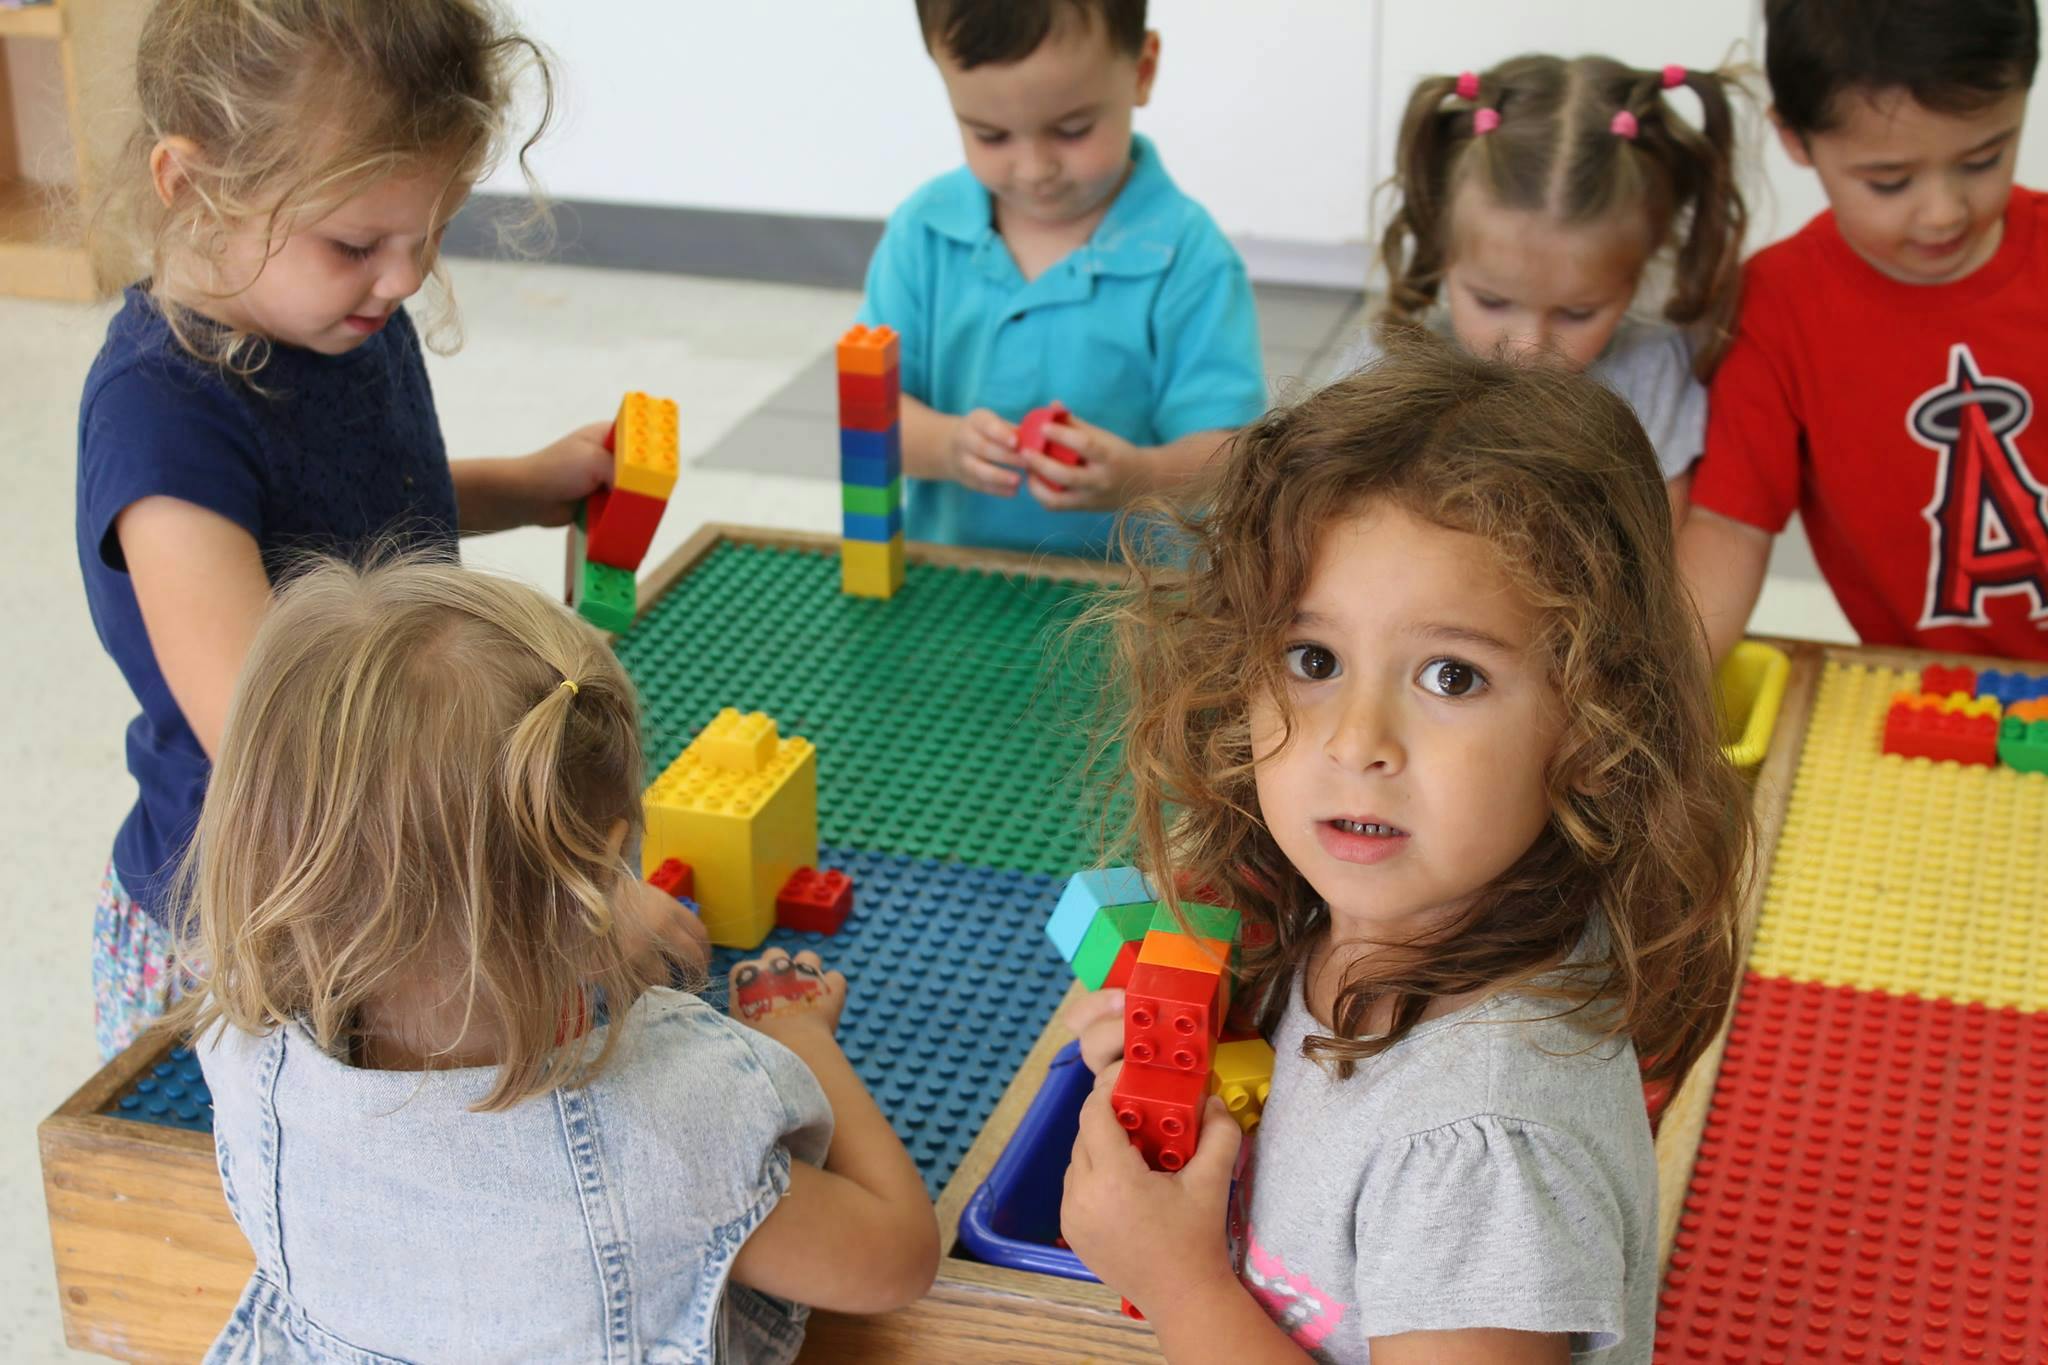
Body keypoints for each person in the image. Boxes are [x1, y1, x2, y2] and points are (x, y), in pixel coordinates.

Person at [1061, 337, 1751, 1363]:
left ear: (1593, 721)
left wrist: (1178, 1284)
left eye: (1451, 677)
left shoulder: (1478, 1159)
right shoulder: (1394, 916)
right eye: (1312, 659)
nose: (1355, 742)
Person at [175, 556, 939, 1362]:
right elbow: (896, 1255)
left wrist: (581, 923)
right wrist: (802, 1039)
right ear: (598, 869)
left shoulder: (241, 1053)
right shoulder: (673, 1126)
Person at [77, 0, 624, 1056]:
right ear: (190, 186)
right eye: (357, 241)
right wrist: (551, 884)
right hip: (264, 930)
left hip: (391, 859)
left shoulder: (328, 316)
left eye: (432, 234)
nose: (406, 276)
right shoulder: (161, 427)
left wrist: (527, 485)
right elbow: (270, 738)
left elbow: (359, 516)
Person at [1680, 0, 2048, 661]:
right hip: (1936, 701)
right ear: (1794, 137)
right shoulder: (1774, 310)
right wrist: (1655, 692)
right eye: (1889, 180)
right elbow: (1730, 528)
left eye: (1984, 159)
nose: (1943, 212)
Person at [855, 0, 1267, 556]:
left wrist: (1139, 475)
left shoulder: (1187, 257)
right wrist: (947, 446)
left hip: (1128, 598)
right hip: (951, 582)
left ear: (1141, 72)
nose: (1033, 169)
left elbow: (1231, 459)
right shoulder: (924, 234)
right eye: (990, 135)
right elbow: (865, 413)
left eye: (1072, 130)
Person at [1346, 54, 1747, 525]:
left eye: (1577, 313)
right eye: (1492, 302)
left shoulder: (1652, 376)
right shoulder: (1385, 370)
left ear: (1640, 268)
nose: (1527, 346)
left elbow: (1660, 556)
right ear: (1439, 243)